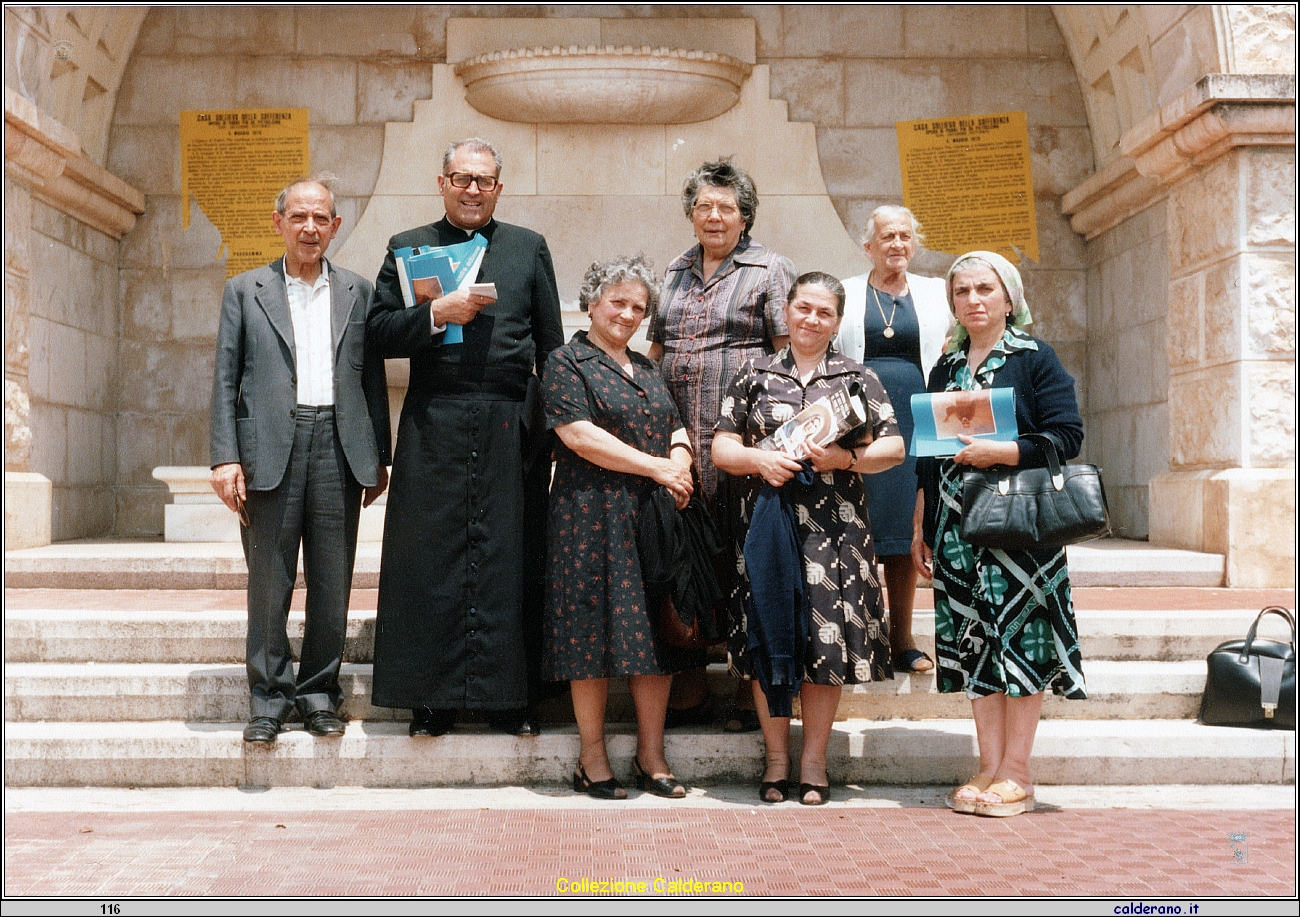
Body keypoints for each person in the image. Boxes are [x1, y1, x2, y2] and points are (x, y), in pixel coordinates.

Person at [367, 138, 564, 738]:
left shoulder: (527, 249)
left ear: (499, 188)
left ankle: (513, 699)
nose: (472, 189)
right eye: (461, 178)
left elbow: (552, 349)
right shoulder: (408, 247)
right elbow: (377, 333)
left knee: (511, 556)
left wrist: (556, 428)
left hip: (510, 420)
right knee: (429, 559)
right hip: (435, 419)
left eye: (483, 180)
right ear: (441, 182)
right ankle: (430, 699)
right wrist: (434, 315)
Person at [210, 175, 391, 744]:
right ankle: (267, 700)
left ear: (335, 227)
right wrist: (224, 457)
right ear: (279, 222)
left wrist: (377, 458)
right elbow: (224, 379)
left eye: (321, 219)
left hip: (338, 445)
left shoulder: (359, 292)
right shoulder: (245, 290)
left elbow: (372, 380)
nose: (310, 228)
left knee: (333, 579)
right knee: (270, 578)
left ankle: (318, 693)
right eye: (299, 217)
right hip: (269, 449)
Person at [712, 272, 904, 805]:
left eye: (823, 312)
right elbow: (721, 449)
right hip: (767, 525)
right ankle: (776, 760)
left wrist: (846, 459)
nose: (811, 319)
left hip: (834, 530)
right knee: (768, 634)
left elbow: (895, 448)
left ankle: (814, 762)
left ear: (837, 321)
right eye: (803, 308)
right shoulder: (753, 374)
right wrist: (759, 460)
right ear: (787, 312)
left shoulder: (857, 378)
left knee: (827, 641)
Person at [911, 251, 1086, 818]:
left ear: (1009, 299)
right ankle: (987, 765)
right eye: (962, 291)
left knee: (1022, 643)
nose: (973, 300)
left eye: (985, 289)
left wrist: (1002, 452)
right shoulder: (945, 368)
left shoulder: (1035, 360)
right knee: (974, 645)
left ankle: (1018, 772)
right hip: (957, 531)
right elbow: (928, 459)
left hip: (1020, 529)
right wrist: (922, 524)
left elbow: (1067, 434)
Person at [647, 157, 796, 731]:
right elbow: (655, 353)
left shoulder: (770, 269)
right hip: (682, 433)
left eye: (726, 207)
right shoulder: (674, 272)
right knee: (687, 556)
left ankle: (745, 684)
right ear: (690, 213)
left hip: (743, 437)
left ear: (744, 216)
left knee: (743, 557)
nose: (714, 216)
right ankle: (687, 678)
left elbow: (785, 353)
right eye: (704, 206)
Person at [542, 256, 696, 799]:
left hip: (651, 519)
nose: (628, 314)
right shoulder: (566, 362)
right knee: (592, 634)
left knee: (655, 632)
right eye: (618, 303)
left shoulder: (647, 367)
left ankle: (651, 756)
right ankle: (592, 757)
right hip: (590, 514)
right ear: (591, 303)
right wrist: (657, 466)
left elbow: (675, 424)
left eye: (638, 307)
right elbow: (579, 436)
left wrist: (679, 459)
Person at [837, 205, 952, 675]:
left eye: (905, 236)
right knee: (860, 525)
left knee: (906, 527)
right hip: (860, 422)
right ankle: (860, 637)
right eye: (887, 237)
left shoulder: (936, 293)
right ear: (868, 246)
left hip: (916, 419)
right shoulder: (844, 292)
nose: (897, 245)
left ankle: (902, 638)